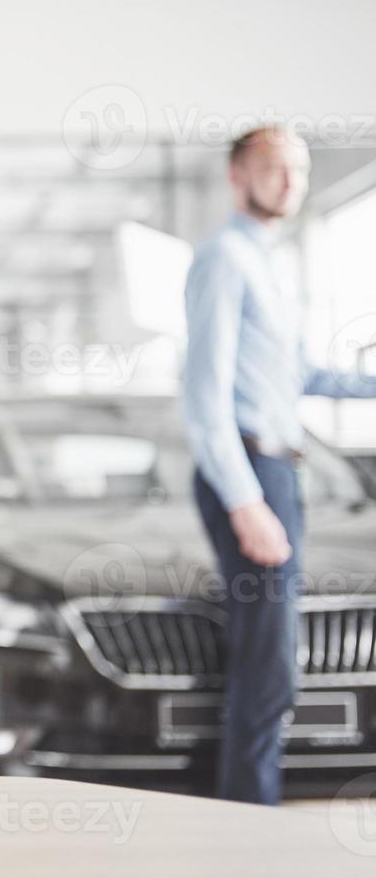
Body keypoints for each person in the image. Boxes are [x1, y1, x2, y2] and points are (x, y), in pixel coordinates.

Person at [182, 125, 376, 805]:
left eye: (297, 168)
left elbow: (295, 375)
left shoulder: (268, 262)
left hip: (277, 469)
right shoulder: (223, 260)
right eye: (272, 167)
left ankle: (248, 817)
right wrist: (244, 501)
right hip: (251, 470)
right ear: (237, 176)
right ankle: (246, 827)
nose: (289, 180)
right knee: (267, 671)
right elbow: (204, 398)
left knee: (271, 666)